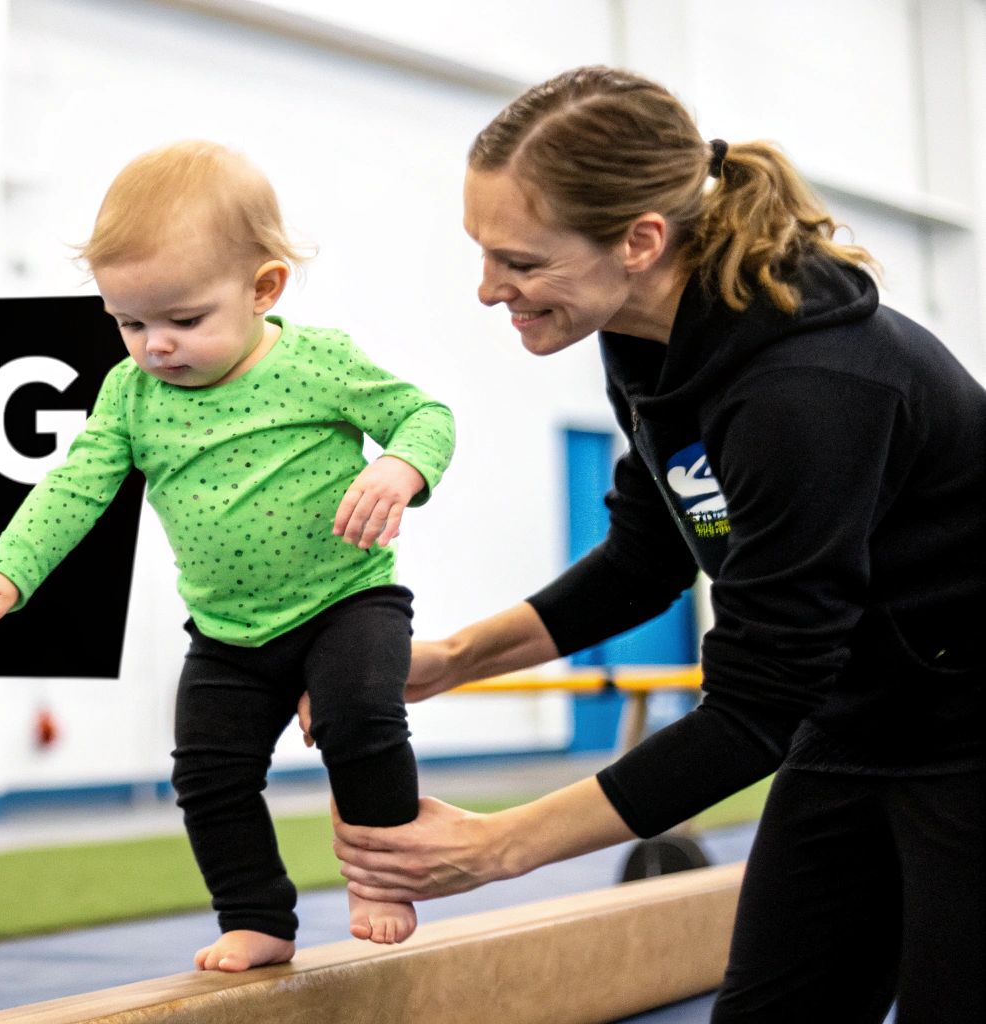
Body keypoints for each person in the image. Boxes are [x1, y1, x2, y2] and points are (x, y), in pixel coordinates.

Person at [319, 66, 984, 1021]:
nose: (486, 289)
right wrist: (446, 663)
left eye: (519, 260)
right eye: (481, 252)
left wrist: (498, 846)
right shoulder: (648, 340)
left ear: (638, 241)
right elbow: (648, 553)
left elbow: (757, 703)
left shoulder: (810, 387)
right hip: (854, 726)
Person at [0, 140, 456, 972]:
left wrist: (399, 463)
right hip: (229, 632)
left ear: (263, 287)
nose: (155, 346)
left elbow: (426, 415)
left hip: (348, 600)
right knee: (207, 775)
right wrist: (7, 569)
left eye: (184, 320)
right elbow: (74, 490)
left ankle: (383, 878)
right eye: (130, 322)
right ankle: (257, 917)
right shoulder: (129, 395)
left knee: (360, 720)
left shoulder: (317, 363)